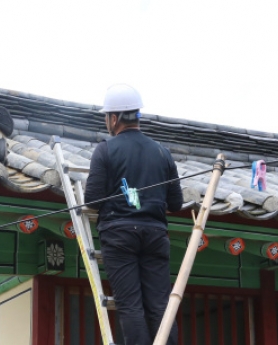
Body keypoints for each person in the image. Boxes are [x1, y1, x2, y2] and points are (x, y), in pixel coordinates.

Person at [84, 84, 183, 345]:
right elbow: (176, 203)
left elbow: (92, 201)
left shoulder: (105, 150)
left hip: (119, 235)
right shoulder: (163, 153)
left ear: (114, 118)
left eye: (107, 117)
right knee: (161, 304)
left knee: (130, 305)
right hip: (155, 235)